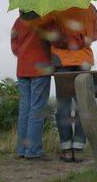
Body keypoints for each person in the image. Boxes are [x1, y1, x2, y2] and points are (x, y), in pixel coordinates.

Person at [51, 3, 97, 163]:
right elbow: (96, 34)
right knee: (83, 106)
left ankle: (66, 150)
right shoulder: (91, 8)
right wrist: (83, 39)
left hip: (61, 61)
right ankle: (78, 148)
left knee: (63, 107)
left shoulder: (54, 8)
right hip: (84, 60)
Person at [11, 10, 62, 160]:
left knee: (25, 108)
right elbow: (56, 40)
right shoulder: (46, 20)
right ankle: (33, 151)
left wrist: (24, 54)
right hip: (40, 69)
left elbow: (14, 47)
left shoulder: (18, 21)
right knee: (37, 109)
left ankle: (22, 150)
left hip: (22, 68)